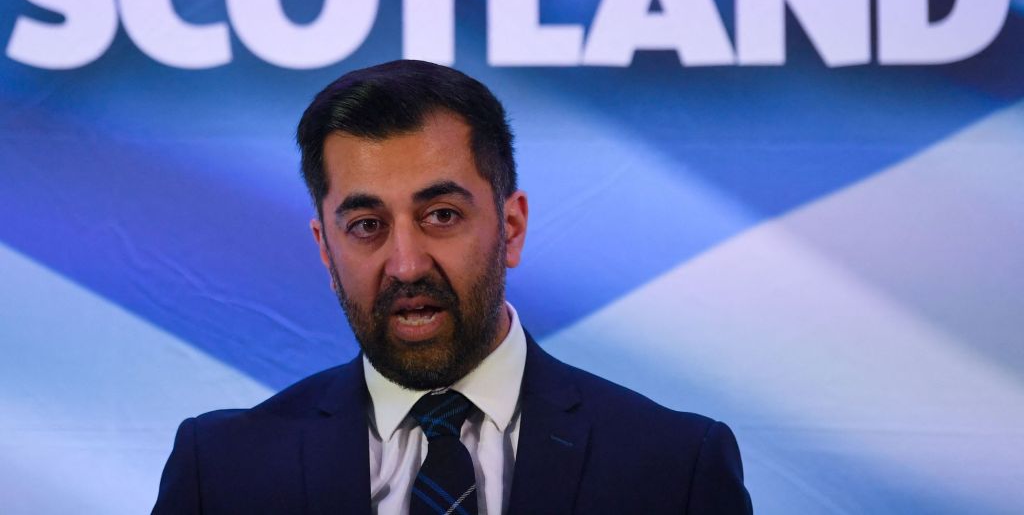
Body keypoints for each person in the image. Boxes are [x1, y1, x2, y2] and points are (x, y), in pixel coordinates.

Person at [153, 60, 753, 514]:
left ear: (511, 227)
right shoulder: (223, 472)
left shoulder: (675, 469)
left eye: (441, 215)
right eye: (367, 226)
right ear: (324, 250)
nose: (407, 265)